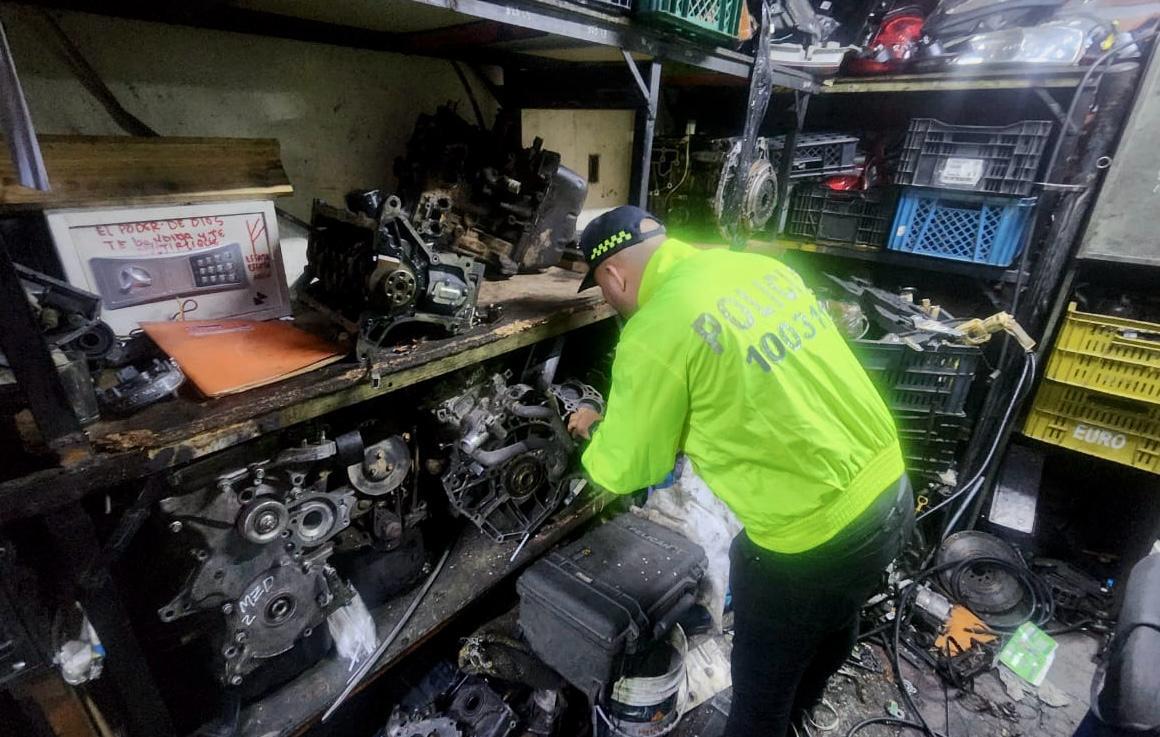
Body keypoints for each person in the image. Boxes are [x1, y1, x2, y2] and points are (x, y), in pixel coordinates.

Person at [568, 205, 914, 737]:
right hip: (891, 491)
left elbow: (623, 469)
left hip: (811, 541)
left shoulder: (654, 329)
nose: (609, 301)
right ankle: (801, 715)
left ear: (613, 275)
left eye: (601, 290)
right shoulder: (759, 270)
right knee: (835, 622)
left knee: (757, 704)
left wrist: (592, 427)